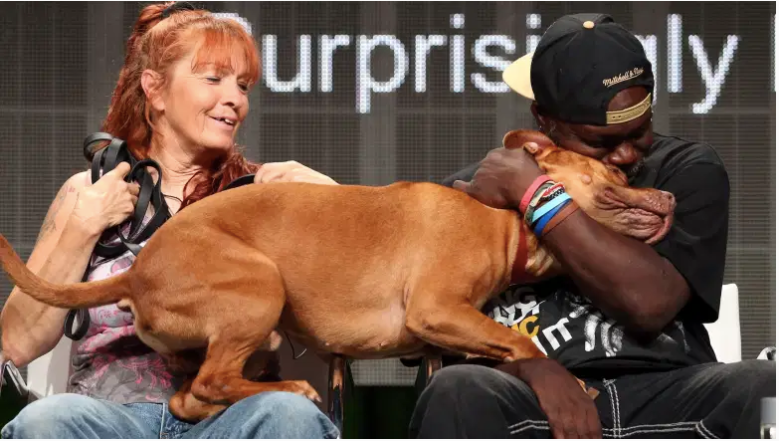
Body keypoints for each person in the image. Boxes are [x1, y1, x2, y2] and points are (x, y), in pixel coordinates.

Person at [409, 13, 775, 439]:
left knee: (767, 385)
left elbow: (648, 305)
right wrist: (533, 369)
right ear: (544, 122)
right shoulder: (477, 192)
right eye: (600, 141)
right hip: (530, 394)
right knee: (456, 388)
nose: (624, 155)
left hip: (666, 396)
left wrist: (536, 196)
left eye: (639, 132)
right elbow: (434, 326)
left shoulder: (685, 169)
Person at [0, 2, 338, 439]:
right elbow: (15, 345)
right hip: (110, 419)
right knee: (45, 422)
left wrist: (329, 203)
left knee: (289, 416)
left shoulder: (263, 199)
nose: (234, 99)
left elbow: (340, 320)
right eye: (214, 79)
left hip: (229, 416)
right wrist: (81, 227)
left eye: (242, 85)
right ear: (155, 91)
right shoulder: (89, 190)